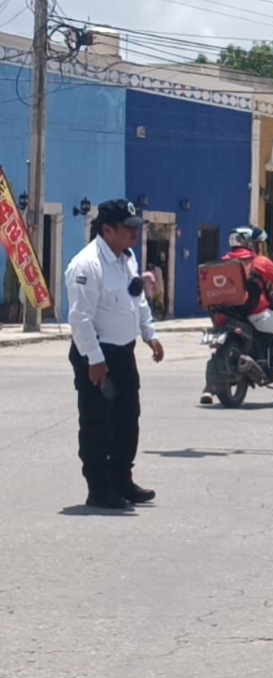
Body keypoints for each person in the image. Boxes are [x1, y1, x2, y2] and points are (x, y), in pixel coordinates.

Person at [65, 199, 166, 511]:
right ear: (107, 229)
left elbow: (136, 299)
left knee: (127, 419)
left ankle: (122, 479)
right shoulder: (87, 265)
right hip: (96, 355)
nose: (135, 235)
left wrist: (149, 334)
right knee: (98, 423)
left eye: (137, 228)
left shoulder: (127, 259)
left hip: (124, 354)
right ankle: (98, 488)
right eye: (128, 229)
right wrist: (94, 359)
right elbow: (80, 318)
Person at [200, 227, 273, 404]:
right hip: (254, 315)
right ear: (250, 243)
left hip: (226, 313)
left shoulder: (222, 263)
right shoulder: (258, 261)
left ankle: (209, 387)